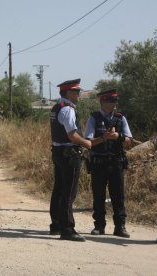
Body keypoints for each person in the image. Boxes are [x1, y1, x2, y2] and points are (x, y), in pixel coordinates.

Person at [85, 88, 132, 238]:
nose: (114, 103)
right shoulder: (94, 117)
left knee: (118, 196)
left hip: (116, 162)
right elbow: (89, 142)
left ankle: (120, 226)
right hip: (98, 162)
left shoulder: (120, 118)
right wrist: (104, 138)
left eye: (115, 101)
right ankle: (99, 225)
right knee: (98, 195)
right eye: (111, 101)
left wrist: (119, 136)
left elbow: (129, 141)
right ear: (103, 101)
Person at [49, 78, 92, 242]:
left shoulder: (56, 106)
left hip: (59, 152)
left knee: (59, 189)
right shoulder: (68, 109)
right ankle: (67, 229)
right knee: (69, 192)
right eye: (77, 92)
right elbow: (72, 135)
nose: (79, 94)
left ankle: (56, 225)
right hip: (69, 154)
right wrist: (86, 143)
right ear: (69, 93)